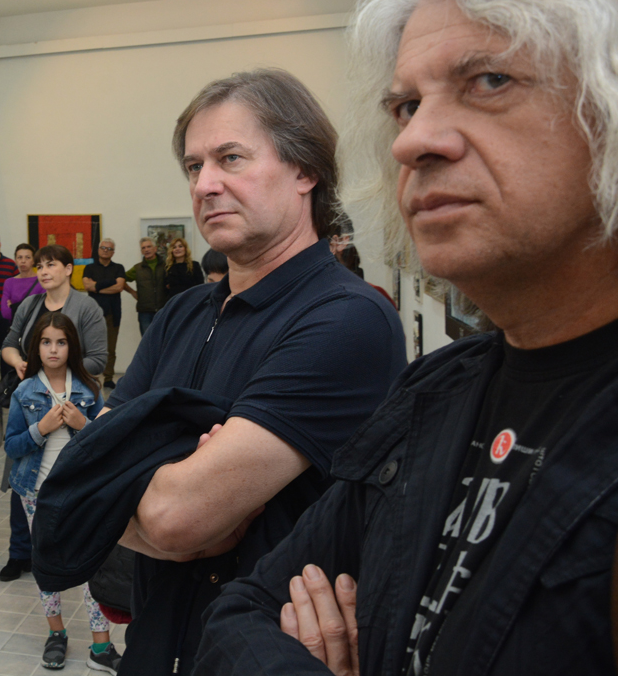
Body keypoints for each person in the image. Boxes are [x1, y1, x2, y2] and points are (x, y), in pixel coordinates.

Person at [199, 0, 618, 676]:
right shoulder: (435, 391)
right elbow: (240, 613)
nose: (413, 140)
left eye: (489, 80)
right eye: (406, 106)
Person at [73, 69, 405, 675]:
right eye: (194, 166)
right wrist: (153, 511)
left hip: (261, 656)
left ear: (305, 170)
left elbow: (175, 517)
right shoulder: (183, 313)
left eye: (230, 158)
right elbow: (82, 478)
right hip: (154, 643)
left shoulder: (346, 318)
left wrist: (139, 497)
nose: (205, 184)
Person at [4, 312, 121, 673]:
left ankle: (101, 646)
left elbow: (107, 442)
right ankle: (56, 634)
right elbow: (12, 446)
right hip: (36, 493)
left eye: (61, 342)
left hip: (81, 492)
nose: (53, 349)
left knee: (92, 566)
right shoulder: (24, 391)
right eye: (46, 342)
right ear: (36, 347)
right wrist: (40, 428)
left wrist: (83, 424)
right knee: (46, 565)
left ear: (72, 347)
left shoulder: (89, 389)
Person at [0, 244, 107, 582]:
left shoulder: (86, 307)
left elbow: (98, 359)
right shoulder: (30, 304)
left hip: (71, 398)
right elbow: (9, 343)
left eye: (51, 265)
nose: (44, 271)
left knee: (66, 478)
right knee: (23, 475)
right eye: (40, 265)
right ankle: (20, 552)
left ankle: (62, 555)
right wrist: (20, 363)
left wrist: (59, 369)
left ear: (68, 269)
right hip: (32, 396)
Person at [82, 238, 126, 389]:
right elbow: (87, 286)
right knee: (90, 347)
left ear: (113, 252)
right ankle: (90, 376)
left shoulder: (119, 268)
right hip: (93, 314)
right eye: (103, 248)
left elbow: (119, 287)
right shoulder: (89, 268)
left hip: (113, 313)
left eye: (109, 249)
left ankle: (108, 378)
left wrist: (97, 287)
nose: (106, 251)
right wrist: (109, 283)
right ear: (98, 250)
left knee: (110, 348)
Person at [123, 238, 166, 336]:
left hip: (163, 310)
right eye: (143, 248)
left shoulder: (166, 266)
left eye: (149, 247)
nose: (146, 250)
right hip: (145, 312)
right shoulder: (137, 268)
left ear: (155, 249)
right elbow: (121, 279)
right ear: (141, 251)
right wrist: (132, 292)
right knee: (146, 341)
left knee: (164, 340)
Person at [0, 244, 45, 325]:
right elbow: (5, 313)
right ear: (15, 260)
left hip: (36, 326)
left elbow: (42, 309)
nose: (23, 261)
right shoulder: (9, 282)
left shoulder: (41, 280)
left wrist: (14, 307)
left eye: (27, 257)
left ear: (33, 261)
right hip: (15, 327)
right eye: (20, 257)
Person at [162, 237, 203, 301]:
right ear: (171, 251)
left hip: (191, 300)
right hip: (174, 301)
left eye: (180, 246)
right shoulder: (168, 268)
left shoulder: (194, 265)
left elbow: (200, 286)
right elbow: (165, 288)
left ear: (185, 249)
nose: (177, 249)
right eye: (174, 247)